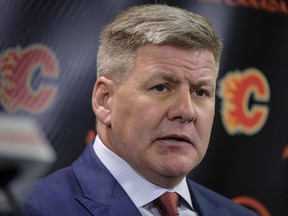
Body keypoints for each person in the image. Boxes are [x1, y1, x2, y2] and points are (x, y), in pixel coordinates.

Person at [22, 4, 259, 216]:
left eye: (200, 92)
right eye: (161, 87)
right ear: (105, 100)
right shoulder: (32, 209)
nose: (186, 111)